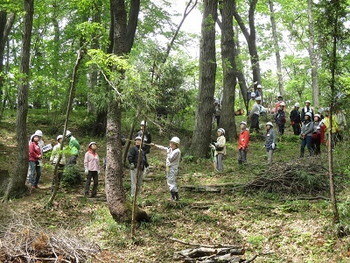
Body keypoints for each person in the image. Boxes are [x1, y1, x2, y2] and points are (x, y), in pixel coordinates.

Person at [152, 137, 181, 201]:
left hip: (173, 169)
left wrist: (168, 152)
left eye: (172, 143)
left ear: (176, 144)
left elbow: (170, 158)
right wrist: (155, 145)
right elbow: (163, 148)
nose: (171, 144)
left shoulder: (177, 151)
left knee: (170, 182)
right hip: (169, 168)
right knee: (171, 182)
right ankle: (176, 197)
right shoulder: (170, 149)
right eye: (171, 143)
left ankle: (174, 197)